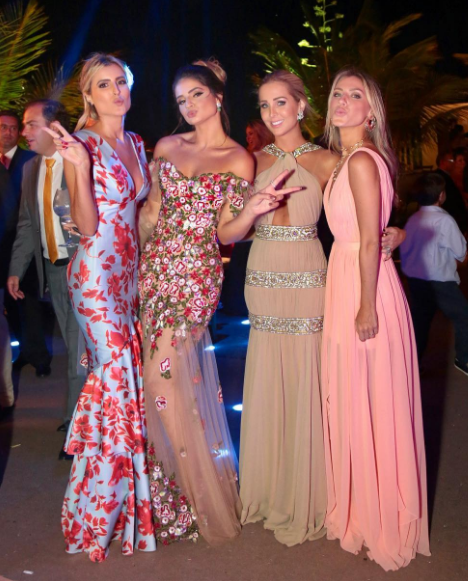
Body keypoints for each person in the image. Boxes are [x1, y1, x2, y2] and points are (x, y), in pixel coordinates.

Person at [138, 59, 296, 546]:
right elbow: (152, 213)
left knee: (160, 378)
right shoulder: (167, 147)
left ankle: (200, 496)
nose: (188, 105)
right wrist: (130, 262)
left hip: (195, 275)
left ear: (217, 97)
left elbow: (226, 231)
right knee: (166, 384)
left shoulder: (237, 159)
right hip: (154, 271)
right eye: (180, 99)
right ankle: (169, 494)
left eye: (196, 94)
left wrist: (251, 210)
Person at [44, 53, 156, 561]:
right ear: (87, 95)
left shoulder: (136, 142)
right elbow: (87, 227)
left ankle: (128, 506)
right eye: (104, 85)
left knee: (124, 385)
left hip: (128, 275)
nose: (116, 91)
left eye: (121, 82)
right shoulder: (82, 145)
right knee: (114, 384)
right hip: (94, 278)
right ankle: (95, 517)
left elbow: (139, 214)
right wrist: (80, 167)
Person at [218, 70, 337, 545]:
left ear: (301, 106)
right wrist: (251, 211)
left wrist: (397, 233)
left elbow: (356, 222)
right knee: (268, 374)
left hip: (309, 272)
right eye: (265, 105)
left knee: (308, 375)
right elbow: (227, 231)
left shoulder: (329, 161)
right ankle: (268, 488)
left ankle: (309, 492)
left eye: (280, 102)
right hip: (263, 272)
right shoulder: (251, 161)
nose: (271, 113)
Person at [321, 67, 430, 570]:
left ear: (371, 111)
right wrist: (397, 234)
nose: (343, 101)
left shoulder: (362, 160)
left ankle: (382, 517)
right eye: (337, 94)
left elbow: (369, 240)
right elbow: (378, 229)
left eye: (355, 95)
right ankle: (364, 511)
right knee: (357, 396)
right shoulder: (347, 161)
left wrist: (365, 304)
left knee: (372, 397)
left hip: (363, 287)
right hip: (348, 278)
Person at [7, 101, 84, 438]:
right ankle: (87, 418)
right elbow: (27, 224)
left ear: (54, 128)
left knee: (79, 351)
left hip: (84, 269)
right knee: (75, 347)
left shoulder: (79, 161)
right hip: (53, 271)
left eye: (31, 124)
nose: (24, 132)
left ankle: (76, 426)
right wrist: (16, 269)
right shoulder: (30, 169)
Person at [0, 109, 51, 378]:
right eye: (3, 127)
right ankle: (18, 353)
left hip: (27, 241)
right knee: (10, 304)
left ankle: (39, 356)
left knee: (30, 300)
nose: (8, 132)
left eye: (12, 127)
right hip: (1, 244)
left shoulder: (31, 159)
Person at [400, 172, 468, 375]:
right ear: (441, 195)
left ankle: (412, 364)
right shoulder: (444, 220)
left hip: (416, 279)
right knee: (463, 316)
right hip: (440, 281)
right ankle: (463, 358)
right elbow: (460, 251)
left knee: (421, 322)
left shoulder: (413, 219)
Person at [435, 151, 468, 234]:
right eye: (451, 160)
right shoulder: (439, 177)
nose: (453, 163)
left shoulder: (447, 176)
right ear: (442, 162)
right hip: (451, 219)